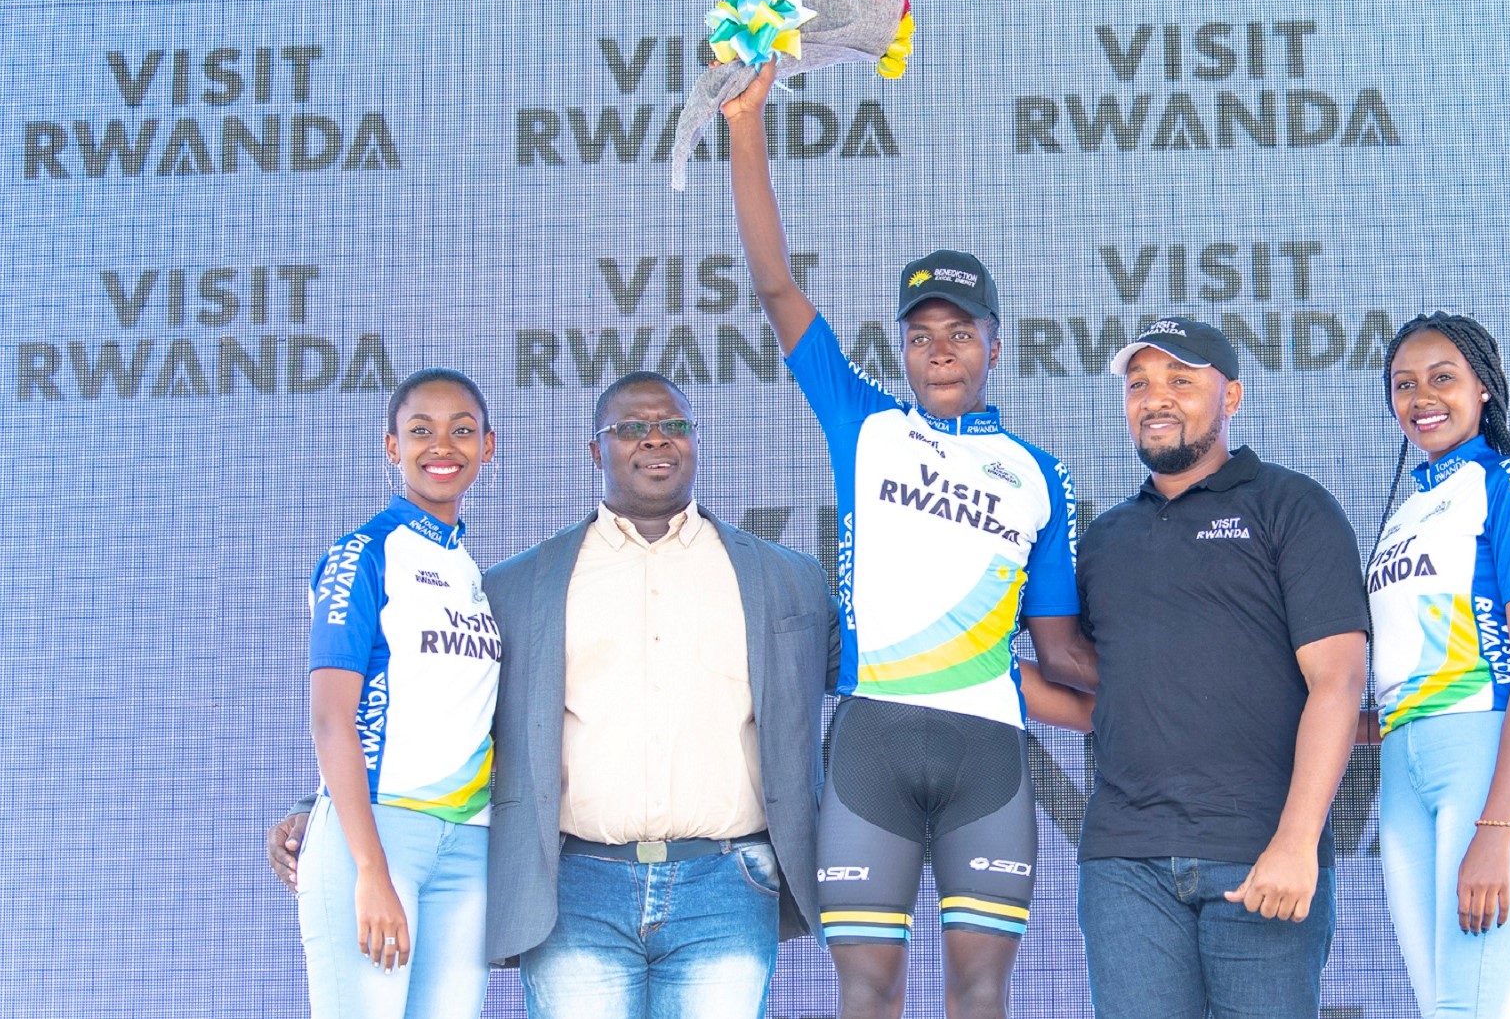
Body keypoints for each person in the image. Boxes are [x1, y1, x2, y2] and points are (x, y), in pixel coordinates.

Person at [272, 370, 842, 1019]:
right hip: (574, 887)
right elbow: (421, 700)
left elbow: (869, 686)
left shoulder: (786, 579)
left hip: (728, 886)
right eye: (630, 428)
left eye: (673, 425)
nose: (654, 440)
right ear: (595, 451)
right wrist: (319, 812)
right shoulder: (521, 586)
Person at [722, 60, 1094, 1019]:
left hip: (989, 755)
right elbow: (773, 283)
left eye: (960, 331)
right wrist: (744, 125)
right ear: (901, 347)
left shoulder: (1038, 474)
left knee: (980, 989)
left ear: (994, 345)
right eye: (922, 332)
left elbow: (1058, 648)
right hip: (871, 741)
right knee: (868, 990)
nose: (940, 347)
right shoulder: (865, 424)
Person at [1057, 317, 1369, 1019]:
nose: (1153, 397)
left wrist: (1295, 843)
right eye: (1138, 384)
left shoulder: (1291, 506)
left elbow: (1339, 681)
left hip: (1258, 854)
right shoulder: (1104, 538)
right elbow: (1107, 692)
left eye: (1179, 379)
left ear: (1230, 397)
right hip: (1124, 864)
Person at [1365, 312, 1510, 1019]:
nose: (1422, 397)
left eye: (1442, 378)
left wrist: (1495, 828)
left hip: (1483, 757)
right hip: (1402, 766)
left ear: (1483, 387)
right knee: (1443, 1007)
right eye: (1403, 385)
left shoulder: (1508, 482)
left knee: (1466, 1010)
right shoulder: (1407, 508)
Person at [299, 367, 500, 1019]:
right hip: (381, 836)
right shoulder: (363, 555)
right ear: (392, 447)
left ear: (487, 447)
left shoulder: (468, 569)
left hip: (468, 839)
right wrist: (369, 869)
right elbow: (333, 721)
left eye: (461, 431)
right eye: (421, 431)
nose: (442, 446)